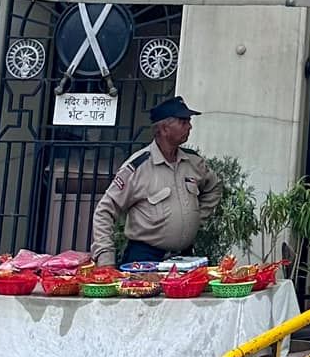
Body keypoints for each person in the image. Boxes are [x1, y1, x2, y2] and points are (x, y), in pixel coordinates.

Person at [91, 97, 221, 265]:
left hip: (185, 259)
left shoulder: (193, 162)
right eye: (183, 122)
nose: (190, 126)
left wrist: (197, 218)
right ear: (164, 128)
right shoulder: (137, 167)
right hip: (145, 260)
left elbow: (214, 186)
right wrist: (105, 258)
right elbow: (105, 211)